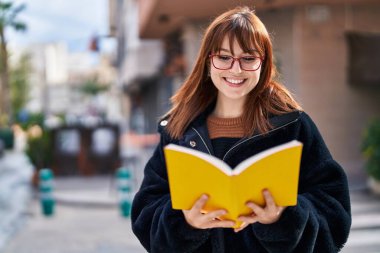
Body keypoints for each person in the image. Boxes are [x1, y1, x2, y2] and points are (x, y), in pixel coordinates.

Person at [131, 6, 351, 253]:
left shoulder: (292, 125)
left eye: (248, 58)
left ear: (263, 63)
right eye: (224, 57)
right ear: (207, 61)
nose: (235, 70)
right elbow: (145, 213)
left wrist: (285, 218)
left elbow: (334, 209)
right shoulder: (179, 130)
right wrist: (184, 222)